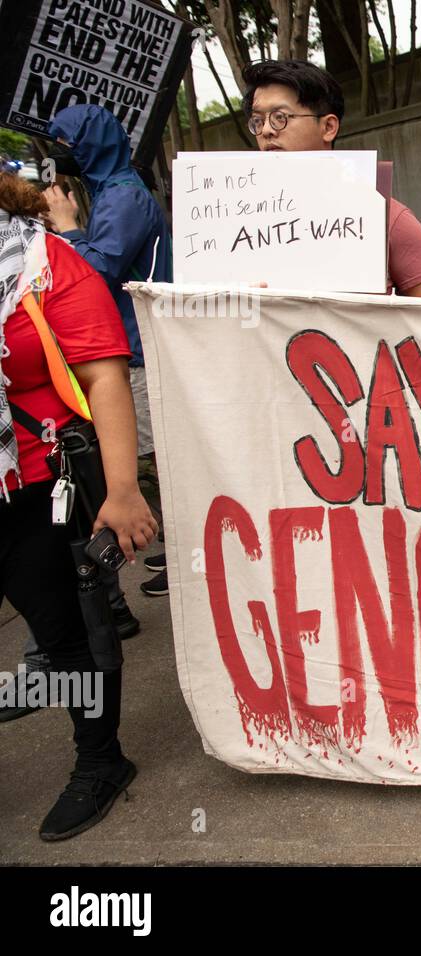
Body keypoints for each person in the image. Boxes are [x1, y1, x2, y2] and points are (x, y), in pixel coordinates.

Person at [0, 171, 157, 839]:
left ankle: (99, 760)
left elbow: (102, 373)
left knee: (66, 638)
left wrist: (122, 491)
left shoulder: (42, 262)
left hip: (37, 485)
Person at [43, 104, 169, 601]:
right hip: (129, 341)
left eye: (67, 145)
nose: (59, 155)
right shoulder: (111, 192)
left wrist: (67, 227)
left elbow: (98, 270)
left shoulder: (123, 197)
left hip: (137, 345)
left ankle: (185, 559)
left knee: (160, 457)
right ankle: (178, 549)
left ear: (91, 146)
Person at [241, 59, 421, 299]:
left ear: (328, 127)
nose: (266, 130)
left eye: (280, 117)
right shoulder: (241, 225)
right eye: (258, 120)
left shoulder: (389, 218)